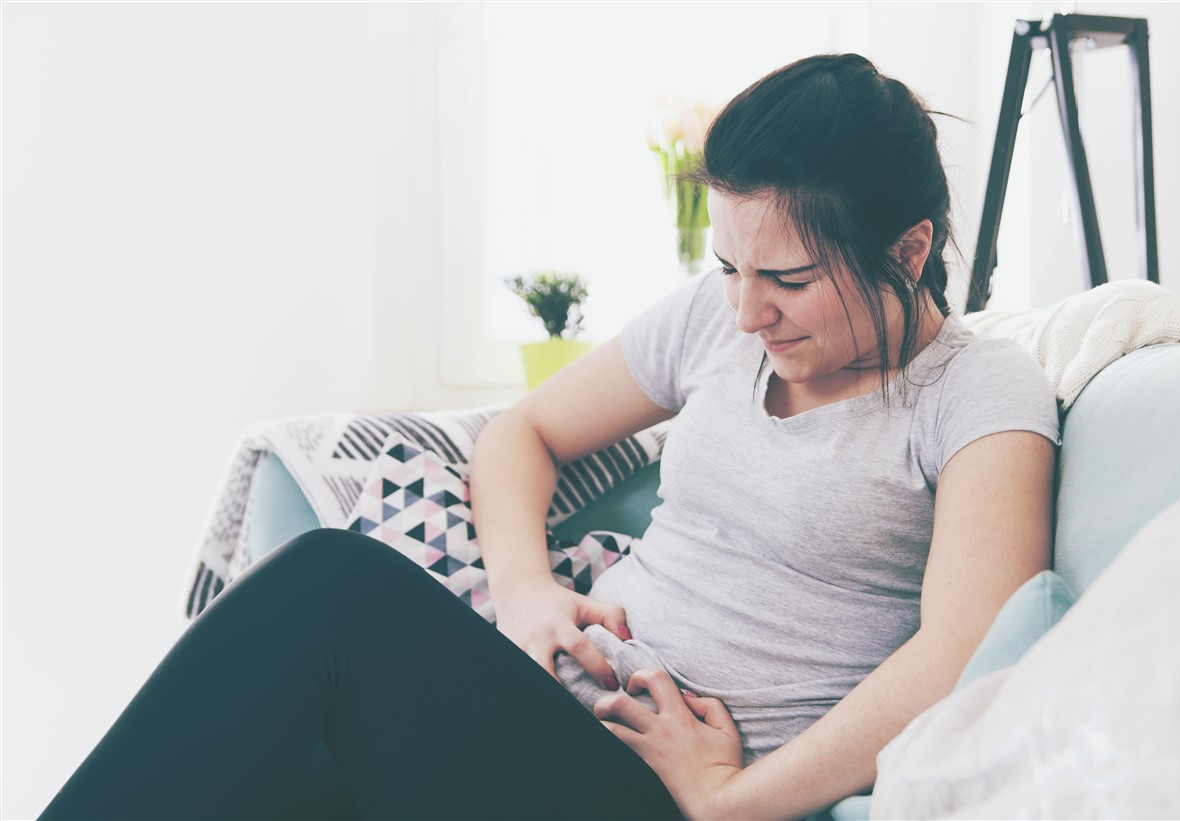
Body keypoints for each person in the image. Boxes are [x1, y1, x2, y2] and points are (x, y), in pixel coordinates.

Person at [39, 52, 1059, 821]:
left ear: (908, 248)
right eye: (730, 268)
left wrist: (728, 797)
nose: (750, 313)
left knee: (328, 586)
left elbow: (963, 653)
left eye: (787, 279)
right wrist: (527, 593)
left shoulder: (976, 395)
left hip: (671, 792)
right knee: (281, 777)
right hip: (549, 718)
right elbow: (524, 431)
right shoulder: (719, 323)